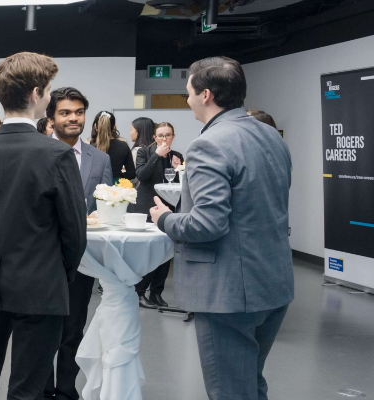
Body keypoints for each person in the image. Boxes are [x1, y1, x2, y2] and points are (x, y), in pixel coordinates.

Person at [150, 56, 293, 400]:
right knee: (250, 383)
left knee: (231, 391)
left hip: (229, 294)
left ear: (206, 95)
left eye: (188, 93)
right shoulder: (272, 136)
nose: (186, 101)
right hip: (273, 283)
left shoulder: (209, 144)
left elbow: (206, 224)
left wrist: (164, 219)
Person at [0, 52, 87, 400]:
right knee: (27, 391)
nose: (48, 97)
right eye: (47, 91)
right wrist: (63, 274)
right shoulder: (56, 155)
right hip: (39, 284)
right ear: (35, 94)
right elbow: (75, 233)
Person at [40, 87, 113, 400]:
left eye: (79, 112)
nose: (73, 118)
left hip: (81, 261)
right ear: (52, 117)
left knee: (73, 331)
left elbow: (107, 205)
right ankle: (41, 392)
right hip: (40, 260)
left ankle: (67, 391)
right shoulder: (37, 152)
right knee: (41, 332)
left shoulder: (100, 160)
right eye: (65, 112)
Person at [132, 120, 184, 310]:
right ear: (154, 137)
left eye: (167, 135)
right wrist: (156, 156)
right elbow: (142, 176)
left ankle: (156, 293)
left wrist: (179, 170)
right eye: (160, 135)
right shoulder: (144, 152)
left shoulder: (177, 156)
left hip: (168, 209)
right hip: (147, 207)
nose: (164, 138)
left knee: (167, 252)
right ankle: (139, 292)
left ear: (173, 136)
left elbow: (178, 185)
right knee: (150, 252)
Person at [89, 111, 136, 185]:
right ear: (114, 127)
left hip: (96, 187)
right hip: (116, 187)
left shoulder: (91, 148)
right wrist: (118, 176)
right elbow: (131, 173)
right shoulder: (123, 146)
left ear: (96, 127)